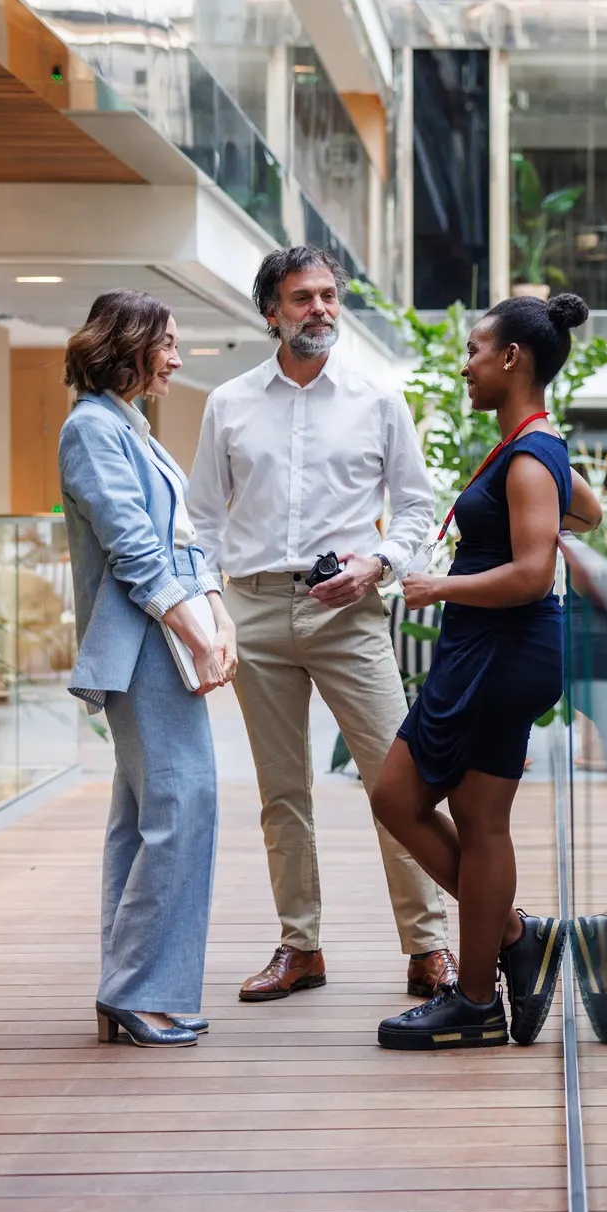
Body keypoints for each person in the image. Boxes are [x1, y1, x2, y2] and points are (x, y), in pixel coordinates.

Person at [188, 245, 456, 1002]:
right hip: (256, 608)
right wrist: (215, 608)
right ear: (271, 311)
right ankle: (300, 947)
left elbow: (414, 508)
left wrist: (379, 563)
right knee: (282, 792)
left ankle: (428, 948)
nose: (321, 310)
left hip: (352, 613)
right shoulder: (229, 404)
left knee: (396, 782)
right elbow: (202, 519)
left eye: (330, 296)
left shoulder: (377, 400)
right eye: (303, 298)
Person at [370, 292, 605, 1051]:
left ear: (512, 359)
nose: (465, 365)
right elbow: (590, 514)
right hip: (497, 651)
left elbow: (535, 572)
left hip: (501, 651)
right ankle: (507, 940)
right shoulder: (534, 445)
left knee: (402, 798)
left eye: (475, 351)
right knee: (470, 821)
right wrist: (545, 464)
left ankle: (477, 995)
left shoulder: (531, 454)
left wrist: (439, 586)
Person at [59, 290, 235, 1049]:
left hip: (158, 642)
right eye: (166, 342)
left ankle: (130, 988)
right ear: (126, 345)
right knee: (182, 808)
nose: (176, 356)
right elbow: (135, 550)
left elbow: (183, 536)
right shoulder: (91, 430)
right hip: (142, 648)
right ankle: (136, 991)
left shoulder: (130, 427)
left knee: (146, 818)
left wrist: (216, 612)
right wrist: (198, 633)